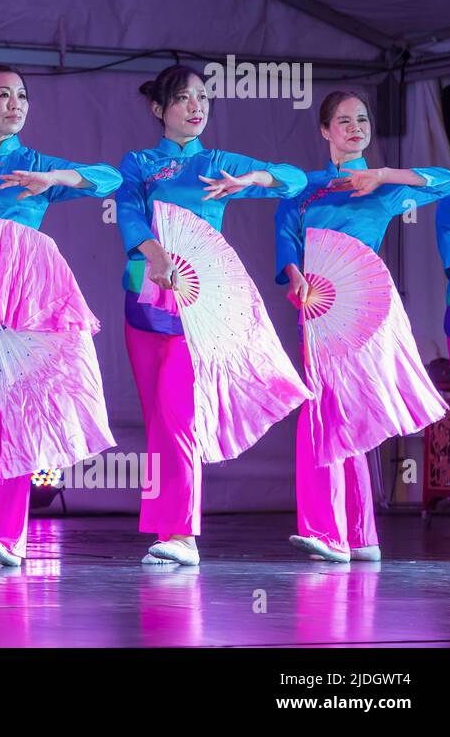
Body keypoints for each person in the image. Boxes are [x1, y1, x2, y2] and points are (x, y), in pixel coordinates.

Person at [116, 64, 305, 566]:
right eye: (184, 99)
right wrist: (155, 254)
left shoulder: (219, 162)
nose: (197, 107)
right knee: (158, 416)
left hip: (198, 304)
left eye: (203, 98)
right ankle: (164, 526)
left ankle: (182, 534)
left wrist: (251, 178)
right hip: (143, 297)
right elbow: (130, 212)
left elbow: (293, 179)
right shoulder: (138, 162)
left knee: (180, 414)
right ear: (160, 110)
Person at [0, 64, 119, 566]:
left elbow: (109, 178)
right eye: (2, 95)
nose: (15, 104)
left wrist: (52, 178)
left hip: (27, 299)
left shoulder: (38, 164)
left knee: (16, 414)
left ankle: (7, 535)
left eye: (22, 96)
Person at [279, 89, 450, 563]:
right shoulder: (305, 187)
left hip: (364, 309)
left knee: (325, 410)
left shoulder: (383, 187)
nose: (355, 128)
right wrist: (293, 273)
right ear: (324, 130)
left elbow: (447, 181)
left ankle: (327, 531)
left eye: (362, 120)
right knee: (339, 413)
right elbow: (286, 239)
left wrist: (382, 174)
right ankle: (361, 535)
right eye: (343, 121)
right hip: (317, 307)